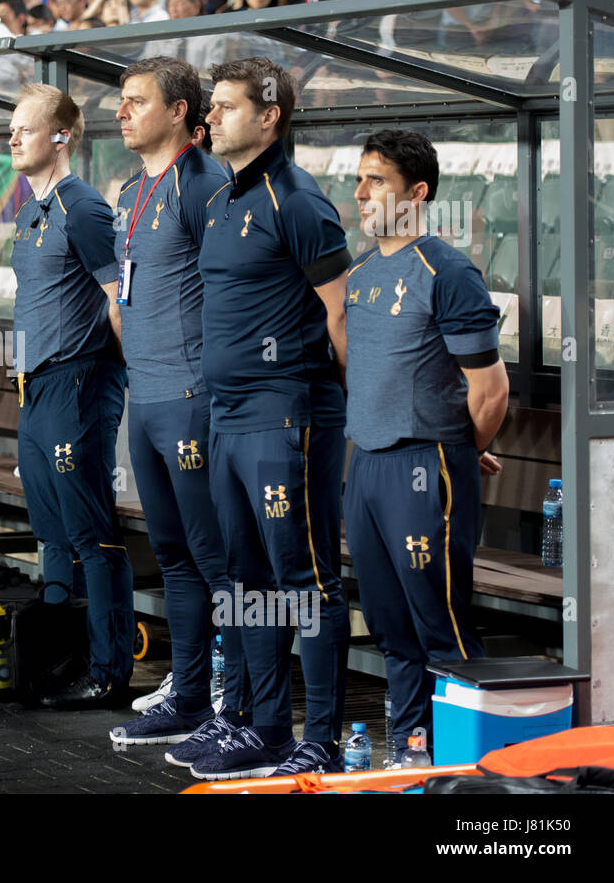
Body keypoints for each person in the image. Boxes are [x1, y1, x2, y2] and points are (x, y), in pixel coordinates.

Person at [193, 56, 353, 779]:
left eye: (226, 107)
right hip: (226, 418)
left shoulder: (300, 201)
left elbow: (343, 314)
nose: (213, 117)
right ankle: (263, 727)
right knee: (244, 579)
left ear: (269, 116)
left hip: (288, 414)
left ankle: (319, 733)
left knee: (306, 578)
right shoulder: (224, 198)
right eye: (212, 106)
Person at [93, 58, 250, 753]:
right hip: (146, 394)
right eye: (120, 101)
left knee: (219, 563)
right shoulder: (132, 189)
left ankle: (238, 707)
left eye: (136, 102)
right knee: (173, 556)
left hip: (192, 398)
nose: (121, 112)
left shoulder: (204, 183)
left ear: (181, 110)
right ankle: (189, 695)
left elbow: (232, 300)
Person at [343, 129, 508, 758]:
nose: (360, 193)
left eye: (376, 180)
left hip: (424, 465)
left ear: (417, 192)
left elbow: (491, 392)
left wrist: (457, 448)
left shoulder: (448, 269)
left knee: (441, 623)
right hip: (367, 466)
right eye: (359, 178)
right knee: (389, 628)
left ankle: (475, 760)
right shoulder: (360, 273)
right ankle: (410, 752)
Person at [7, 83, 132, 708]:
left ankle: (110, 673)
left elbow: (120, 300)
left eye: (25, 128)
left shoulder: (83, 208)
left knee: (91, 535)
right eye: (12, 127)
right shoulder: (31, 210)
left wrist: (128, 372)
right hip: (35, 389)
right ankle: (56, 658)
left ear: (61, 136)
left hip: (79, 380)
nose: (13, 138)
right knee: (51, 534)